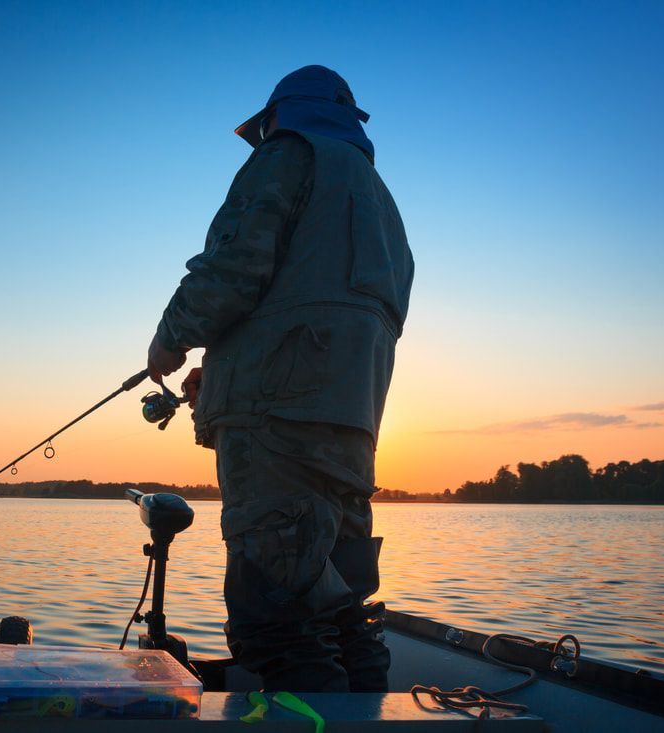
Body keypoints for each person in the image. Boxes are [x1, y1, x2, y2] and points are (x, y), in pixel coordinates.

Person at [145, 65, 414, 693]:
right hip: (352, 428)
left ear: (277, 118)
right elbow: (317, 305)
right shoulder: (379, 197)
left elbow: (235, 266)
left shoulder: (285, 156)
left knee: (278, 620)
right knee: (344, 612)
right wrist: (222, 373)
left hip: (275, 426)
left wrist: (171, 337)